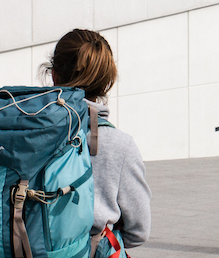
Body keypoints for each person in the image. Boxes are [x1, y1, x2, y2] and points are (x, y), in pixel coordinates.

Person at [44, 29, 151, 255]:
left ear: (54, 75)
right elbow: (139, 230)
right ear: (106, 83)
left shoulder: (27, 133)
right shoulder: (120, 145)